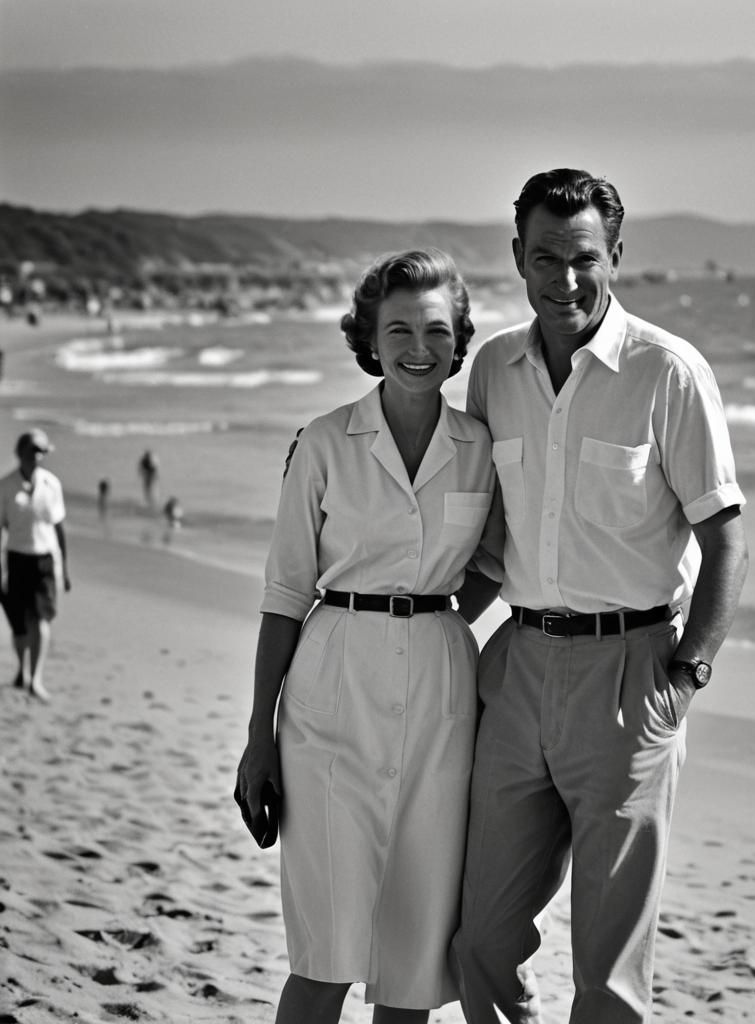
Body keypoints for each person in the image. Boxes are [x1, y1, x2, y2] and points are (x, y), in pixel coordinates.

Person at [450, 168, 749, 1024]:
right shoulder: (497, 371)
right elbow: (493, 539)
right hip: (516, 670)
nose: (565, 279)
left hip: (632, 678)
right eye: (545, 258)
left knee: (608, 979)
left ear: (616, 256)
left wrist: (683, 681)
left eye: (584, 258)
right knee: (481, 942)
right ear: (517, 257)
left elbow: (727, 536)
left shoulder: (669, 372)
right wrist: (411, 636)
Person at [235, 250, 498, 1024]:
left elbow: (495, 564)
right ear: (369, 338)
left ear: (460, 341)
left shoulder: (483, 449)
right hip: (328, 695)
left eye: (437, 331)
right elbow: (285, 592)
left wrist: (437, 623)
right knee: (327, 951)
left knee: (414, 960)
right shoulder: (321, 443)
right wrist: (259, 735)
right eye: (399, 330)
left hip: (441, 698)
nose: (419, 347)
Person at [1, 429, 71, 702]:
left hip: (43, 559)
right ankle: (22, 670)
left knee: (41, 618)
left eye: (43, 451)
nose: (38, 455)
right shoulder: (5, 486)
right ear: (20, 453)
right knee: (20, 624)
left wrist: (64, 568)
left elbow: (59, 528)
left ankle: (36, 678)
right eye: (34, 450)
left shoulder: (52, 484)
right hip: (16, 558)